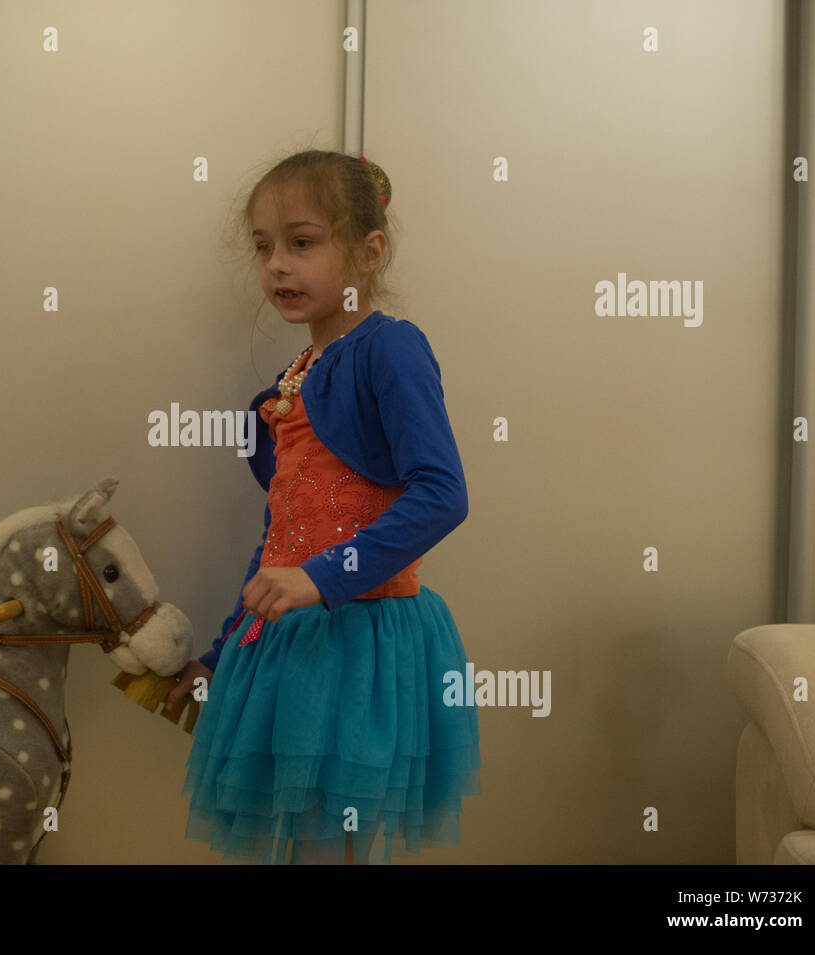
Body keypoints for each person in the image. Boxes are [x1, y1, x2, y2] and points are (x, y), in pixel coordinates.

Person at [163, 150, 481, 865]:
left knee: (330, 848)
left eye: (301, 243)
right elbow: (283, 533)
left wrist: (320, 576)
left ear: (369, 252)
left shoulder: (388, 349)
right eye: (263, 247)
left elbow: (441, 493)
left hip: (360, 644)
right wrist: (220, 652)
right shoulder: (292, 380)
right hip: (287, 645)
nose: (277, 265)